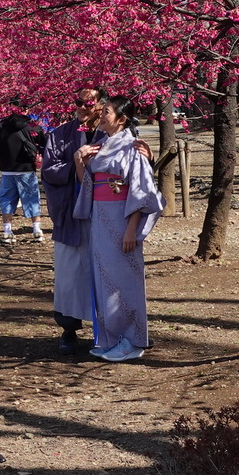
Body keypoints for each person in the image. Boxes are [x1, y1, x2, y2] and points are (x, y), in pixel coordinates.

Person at [73, 94, 162, 362]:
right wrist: (79, 160)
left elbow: (141, 191)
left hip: (122, 218)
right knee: (103, 279)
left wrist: (131, 230)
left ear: (122, 119)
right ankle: (111, 338)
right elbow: (88, 184)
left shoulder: (133, 148)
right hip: (101, 217)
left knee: (123, 281)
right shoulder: (101, 144)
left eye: (107, 112)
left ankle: (132, 340)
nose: (101, 115)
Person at [42, 89, 100, 353]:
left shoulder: (111, 134)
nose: (82, 107)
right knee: (69, 275)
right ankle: (69, 330)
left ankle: (114, 327)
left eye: (89, 103)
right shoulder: (60, 134)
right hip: (71, 215)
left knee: (106, 273)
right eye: (79, 102)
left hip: (104, 215)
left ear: (101, 105)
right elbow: (49, 171)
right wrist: (77, 165)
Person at [0, 110, 47, 243]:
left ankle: (7, 230)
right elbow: (44, 141)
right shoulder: (31, 126)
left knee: (7, 199)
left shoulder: (1, 126)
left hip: (7, 169)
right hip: (26, 169)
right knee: (32, 198)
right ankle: (37, 229)